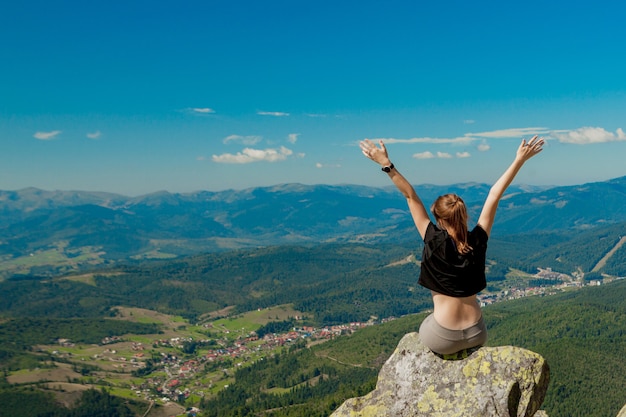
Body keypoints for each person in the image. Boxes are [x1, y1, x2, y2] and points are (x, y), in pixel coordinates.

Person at [359, 136, 544, 355]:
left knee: (423, 328)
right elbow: (495, 194)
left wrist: (386, 164)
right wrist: (519, 160)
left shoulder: (432, 238)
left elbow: (410, 195)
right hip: (477, 332)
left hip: (442, 337)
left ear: (438, 218)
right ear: (464, 215)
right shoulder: (478, 239)